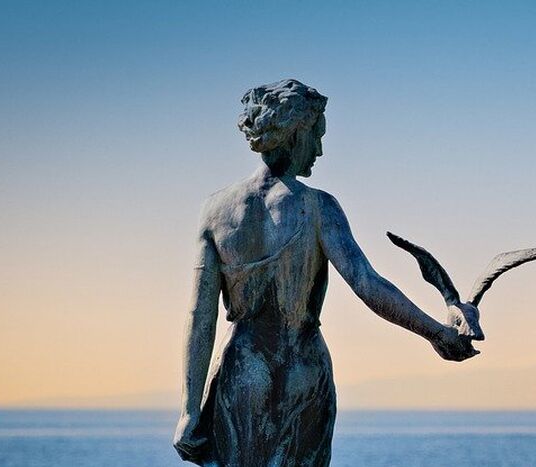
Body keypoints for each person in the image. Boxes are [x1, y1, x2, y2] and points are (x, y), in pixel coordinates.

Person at [172, 79, 480, 466]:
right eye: (316, 135)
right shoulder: (318, 208)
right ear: (295, 132)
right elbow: (367, 284)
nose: (319, 149)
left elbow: (201, 317)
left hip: (243, 374)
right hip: (304, 372)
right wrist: (436, 332)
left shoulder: (215, 212)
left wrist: (189, 411)